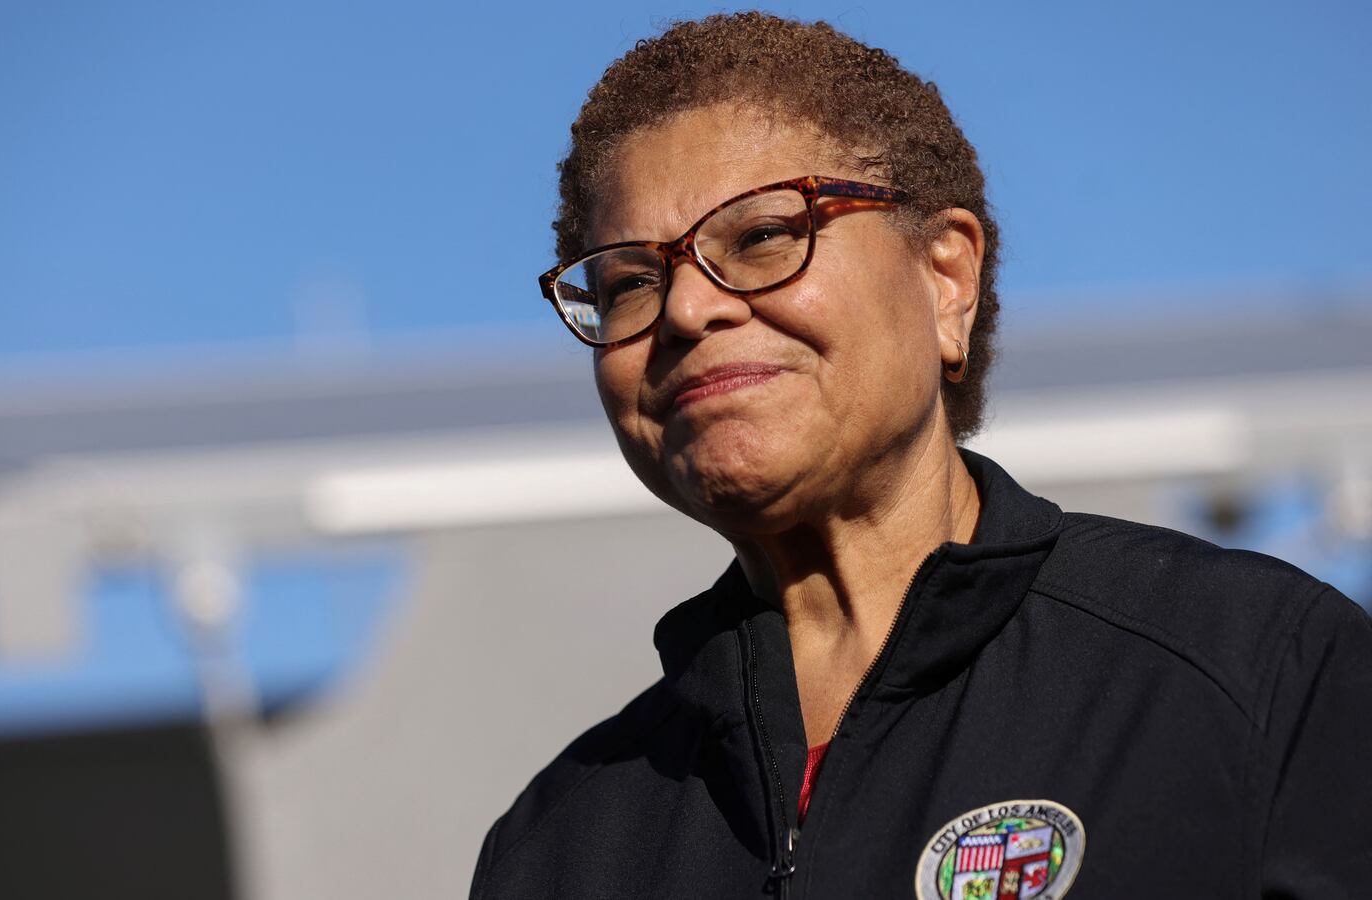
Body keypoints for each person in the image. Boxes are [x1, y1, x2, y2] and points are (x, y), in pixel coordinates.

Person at [470, 13, 1372, 900]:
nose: (686, 311)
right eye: (630, 281)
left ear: (947, 281)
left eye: (761, 238)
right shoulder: (558, 846)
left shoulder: (1251, 669)